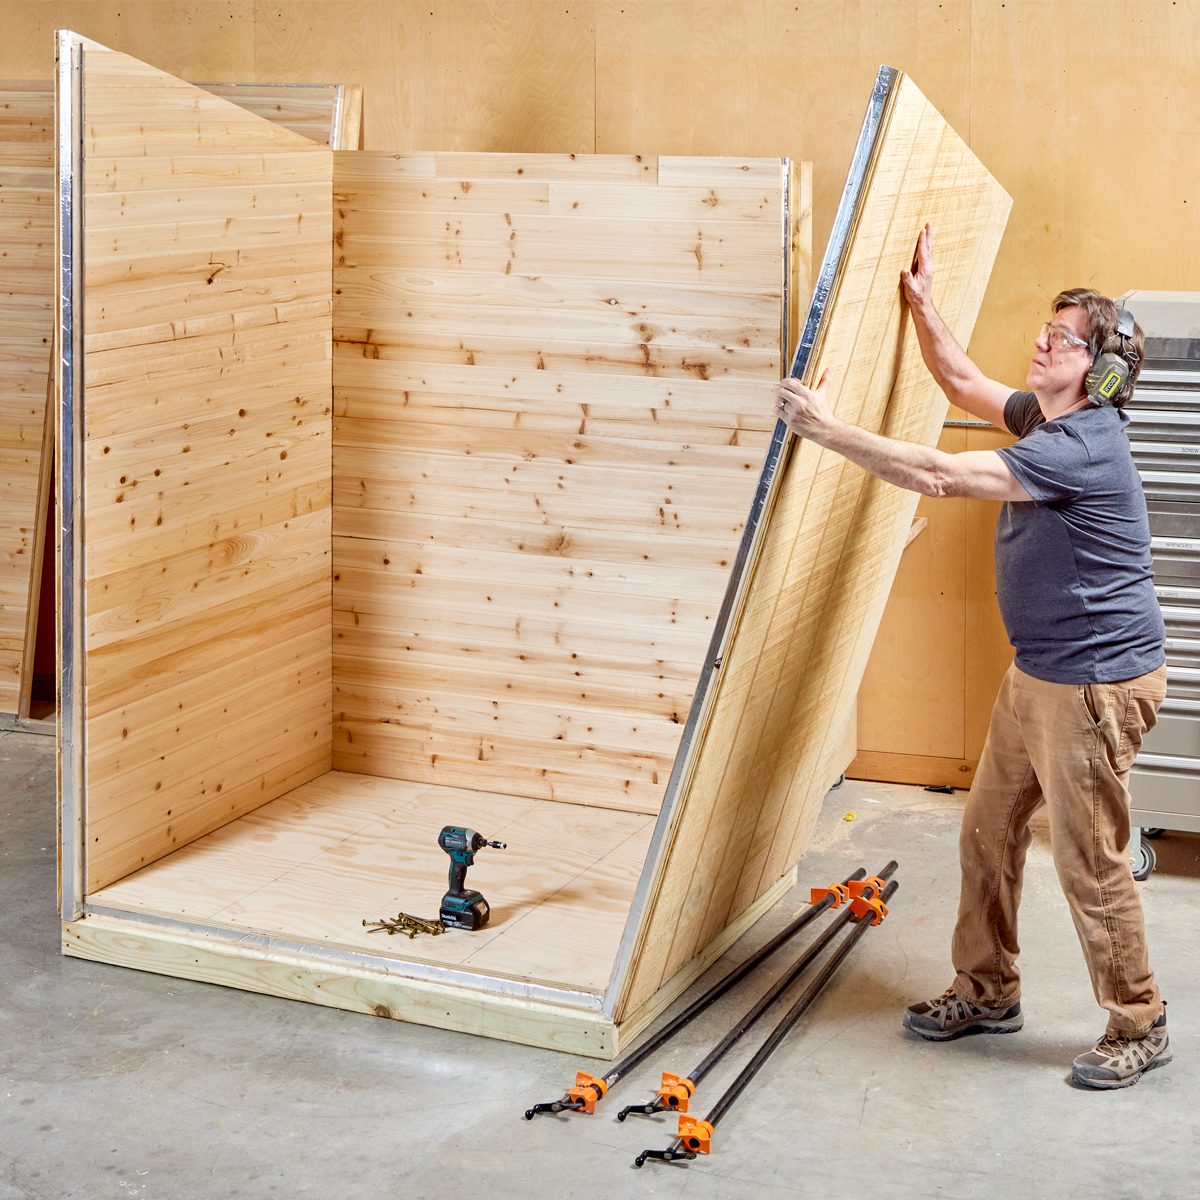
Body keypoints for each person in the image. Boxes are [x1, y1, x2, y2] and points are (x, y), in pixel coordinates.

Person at [774, 223, 1169, 1090]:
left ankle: (1138, 1022)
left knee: (1090, 859)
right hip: (1040, 673)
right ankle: (988, 989)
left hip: (1095, 686)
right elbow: (959, 377)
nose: (1041, 341)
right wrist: (922, 304)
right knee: (986, 831)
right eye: (1047, 327)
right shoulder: (1046, 417)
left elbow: (942, 476)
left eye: (1061, 337)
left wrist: (825, 430)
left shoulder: (1082, 449)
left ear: (1099, 369)